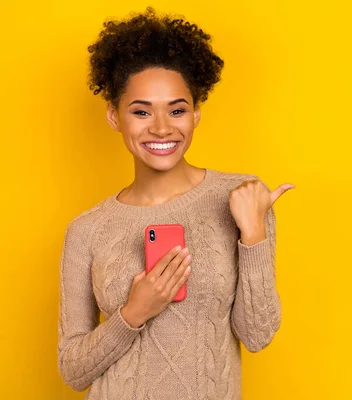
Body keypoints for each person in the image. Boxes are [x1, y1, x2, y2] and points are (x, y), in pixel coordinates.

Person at [57, 7, 294, 399]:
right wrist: (134, 312)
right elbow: (72, 370)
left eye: (177, 109)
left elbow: (257, 335)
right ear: (114, 116)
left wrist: (252, 234)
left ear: (196, 114)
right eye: (141, 111)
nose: (162, 127)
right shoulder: (87, 231)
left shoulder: (241, 199)